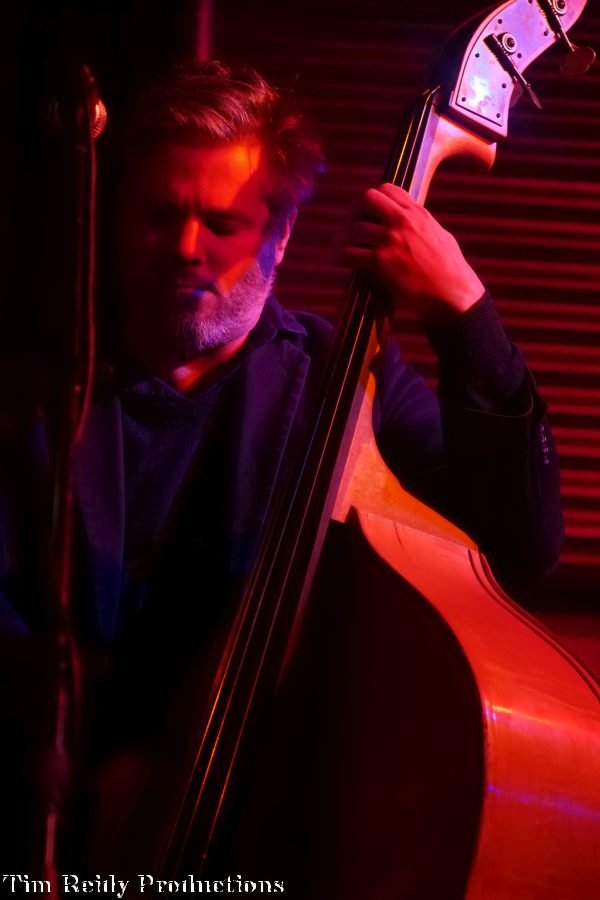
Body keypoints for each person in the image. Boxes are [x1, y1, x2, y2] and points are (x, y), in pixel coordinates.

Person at [0, 59, 562, 870]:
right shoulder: (34, 395)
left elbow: (522, 547)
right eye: (161, 215)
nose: (186, 248)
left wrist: (465, 315)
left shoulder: (346, 382)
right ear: (117, 215)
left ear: (282, 232)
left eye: (222, 223)